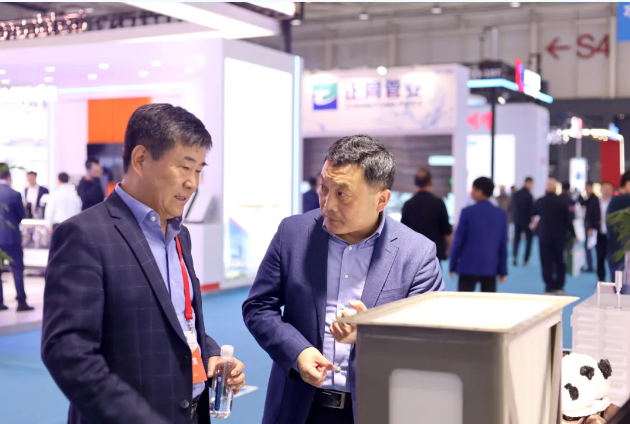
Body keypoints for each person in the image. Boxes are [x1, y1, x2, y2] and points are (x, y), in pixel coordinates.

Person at [41, 104, 246, 424]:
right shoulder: (85, 235)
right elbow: (68, 352)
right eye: (184, 167)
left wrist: (211, 354)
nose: (192, 183)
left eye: (198, 170)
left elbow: (179, 323)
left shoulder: (180, 235)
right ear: (140, 159)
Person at [242, 135, 444, 424]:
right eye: (324, 188)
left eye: (343, 194)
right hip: (298, 406)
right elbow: (259, 307)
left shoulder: (416, 254)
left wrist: (369, 335)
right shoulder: (293, 234)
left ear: (381, 200)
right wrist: (298, 352)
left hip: (376, 409)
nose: (328, 205)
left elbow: (428, 339)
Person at [449, 177, 508, 293]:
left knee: (463, 300)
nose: (471, 192)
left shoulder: (467, 212)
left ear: (480, 191)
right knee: (489, 301)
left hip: (468, 266)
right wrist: (503, 270)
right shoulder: (501, 214)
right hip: (491, 266)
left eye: (473, 189)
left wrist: (453, 264)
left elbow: (459, 241)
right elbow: (502, 244)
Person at [0, 164, 34, 312]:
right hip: (11, 237)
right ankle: (21, 301)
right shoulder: (14, 194)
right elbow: (21, 216)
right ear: (9, 176)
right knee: (17, 269)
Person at [401, 168, 452, 262]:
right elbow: (446, 230)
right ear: (430, 182)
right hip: (434, 253)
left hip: (414, 253)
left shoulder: (408, 204)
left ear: (415, 184)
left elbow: (403, 231)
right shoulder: (438, 203)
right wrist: (450, 248)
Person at [533, 178, 573, 295]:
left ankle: (548, 287)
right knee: (560, 261)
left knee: (546, 262)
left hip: (544, 236)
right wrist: (574, 234)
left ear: (546, 187)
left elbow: (533, 214)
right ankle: (559, 286)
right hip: (559, 237)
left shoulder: (541, 201)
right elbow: (568, 220)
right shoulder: (562, 202)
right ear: (556, 188)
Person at [606, 171, 630, 283]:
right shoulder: (624, 200)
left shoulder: (614, 201)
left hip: (616, 252)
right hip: (623, 253)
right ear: (628, 184)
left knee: (618, 288)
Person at [511, 177, 535, 266]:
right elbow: (531, 210)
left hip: (517, 220)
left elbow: (512, 207)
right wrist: (533, 221)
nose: (532, 186)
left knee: (516, 240)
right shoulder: (529, 195)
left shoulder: (516, 194)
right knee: (529, 240)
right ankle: (526, 260)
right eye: (531, 184)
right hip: (526, 221)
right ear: (527, 183)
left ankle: (515, 257)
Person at [580, 181, 599, 273]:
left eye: (587, 188)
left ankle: (591, 266)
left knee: (589, 246)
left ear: (591, 188)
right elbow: (583, 203)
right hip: (589, 225)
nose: (586, 190)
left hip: (591, 226)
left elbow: (594, 214)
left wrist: (592, 226)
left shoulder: (594, 199)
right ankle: (590, 265)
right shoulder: (590, 199)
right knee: (588, 246)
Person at [597, 181, 614, 282]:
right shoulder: (596, 203)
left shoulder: (615, 203)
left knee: (613, 258)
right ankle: (601, 279)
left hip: (612, 235)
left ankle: (613, 279)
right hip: (599, 234)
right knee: (600, 258)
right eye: (604, 189)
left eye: (608, 189)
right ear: (601, 190)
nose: (606, 191)